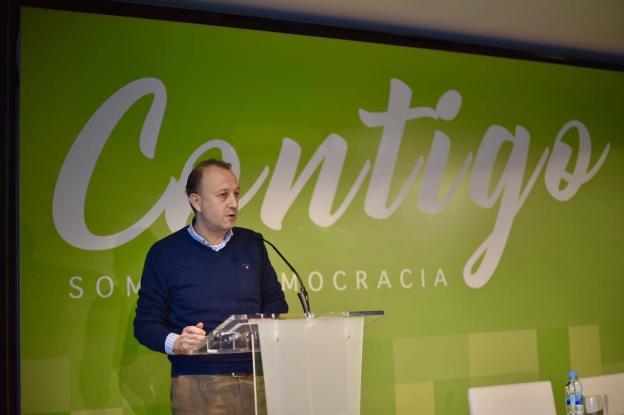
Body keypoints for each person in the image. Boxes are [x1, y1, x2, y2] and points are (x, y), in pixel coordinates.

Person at [134, 159, 288, 414]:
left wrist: (260, 326)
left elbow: (276, 303)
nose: (234, 203)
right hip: (198, 383)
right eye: (223, 195)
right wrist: (178, 343)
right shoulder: (164, 254)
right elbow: (145, 324)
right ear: (196, 202)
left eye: (236, 194)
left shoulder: (253, 243)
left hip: (257, 378)